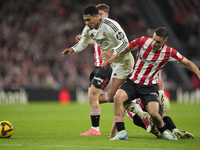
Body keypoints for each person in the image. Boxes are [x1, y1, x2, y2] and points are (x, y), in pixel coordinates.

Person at [61, 5, 150, 136]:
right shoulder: (88, 29)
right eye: (85, 20)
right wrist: (72, 49)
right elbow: (83, 43)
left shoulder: (111, 25)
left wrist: (112, 52)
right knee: (114, 96)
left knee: (116, 96)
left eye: (89, 19)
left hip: (124, 61)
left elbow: (126, 43)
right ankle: (143, 115)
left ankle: (143, 113)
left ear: (97, 16)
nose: (87, 23)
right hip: (113, 64)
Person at [102, 27, 200, 140]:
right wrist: (111, 59)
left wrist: (198, 73)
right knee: (117, 98)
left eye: (158, 41)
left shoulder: (169, 52)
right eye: (153, 39)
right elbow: (126, 49)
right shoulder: (143, 41)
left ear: (164, 42)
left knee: (154, 114)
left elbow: (187, 63)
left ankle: (163, 131)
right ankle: (122, 132)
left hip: (149, 86)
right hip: (133, 82)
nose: (154, 43)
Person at [109, 76, 195, 139]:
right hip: (145, 104)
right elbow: (160, 83)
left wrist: (112, 133)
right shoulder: (148, 78)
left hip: (136, 115)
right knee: (161, 117)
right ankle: (174, 130)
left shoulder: (125, 89)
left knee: (157, 130)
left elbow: (119, 113)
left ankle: (170, 131)